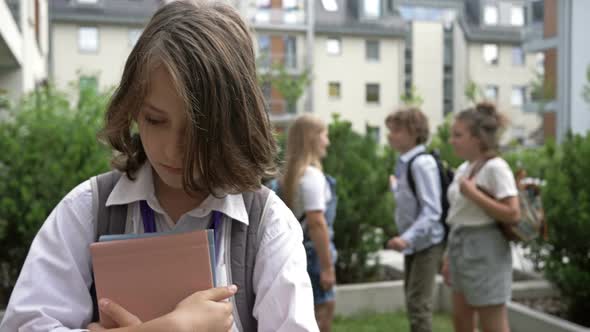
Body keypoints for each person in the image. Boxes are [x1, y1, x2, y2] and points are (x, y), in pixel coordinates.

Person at [0, 1, 318, 331]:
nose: (172, 149)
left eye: (198, 129)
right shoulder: (86, 208)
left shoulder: (268, 223)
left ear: (233, 123)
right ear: (133, 108)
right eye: (155, 120)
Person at [442, 102, 520, 332]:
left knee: (492, 322)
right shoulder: (465, 168)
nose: (451, 140)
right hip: (461, 245)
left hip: (486, 249)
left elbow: (513, 213)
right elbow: (458, 214)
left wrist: (474, 194)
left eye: (458, 135)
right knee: (461, 320)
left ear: (477, 138)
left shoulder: (496, 168)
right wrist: (449, 257)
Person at [384, 108, 446, 332]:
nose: (390, 135)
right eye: (390, 130)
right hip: (416, 243)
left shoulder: (422, 163)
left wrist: (406, 238)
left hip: (426, 243)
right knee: (413, 301)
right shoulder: (406, 163)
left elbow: (432, 211)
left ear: (414, 132)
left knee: (419, 304)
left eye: (397, 130)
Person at [279, 114, 336, 332]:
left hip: (297, 253)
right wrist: (327, 267)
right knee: (321, 316)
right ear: (312, 138)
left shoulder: (287, 177)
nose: (327, 141)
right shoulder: (312, 175)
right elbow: (316, 223)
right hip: (314, 257)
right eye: (324, 135)